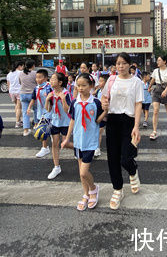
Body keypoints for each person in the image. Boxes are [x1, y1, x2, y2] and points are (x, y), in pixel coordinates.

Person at [101, 53, 143, 210]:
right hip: (113, 120)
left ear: (130, 65)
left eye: (124, 63)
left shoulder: (136, 82)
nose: (121, 66)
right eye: (118, 63)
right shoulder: (112, 80)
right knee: (112, 158)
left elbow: (138, 104)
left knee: (126, 157)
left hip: (129, 121)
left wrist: (137, 126)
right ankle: (117, 189)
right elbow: (104, 98)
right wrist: (104, 104)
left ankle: (133, 170)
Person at [61, 73, 108, 211]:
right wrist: (67, 138)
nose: (80, 88)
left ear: (91, 86)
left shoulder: (96, 102)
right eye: (78, 85)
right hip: (78, 140)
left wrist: (105, 111)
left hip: (90, 141)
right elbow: (73, 120)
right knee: (80, 169)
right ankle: (86, 194)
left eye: (84, 85)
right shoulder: (75, 102)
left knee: (83, 172)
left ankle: (93, 189)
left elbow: (98, 121)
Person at [45, 72, 72, 180]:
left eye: (53, 79)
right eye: (51, 79)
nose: (51, 81)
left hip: (65, 122)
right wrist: (47, 99)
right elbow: (48, 109)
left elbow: (68, 110)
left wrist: (63, 99)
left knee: (65, 144)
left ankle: (81, 148)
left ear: (60, 82)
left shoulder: (66, 93)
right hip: (55, 122)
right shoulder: (51, 93)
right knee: (54, 144)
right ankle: (56, 167)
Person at [27, 69, 53, 158]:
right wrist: (29, 107)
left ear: (45, 78)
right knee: (43, 130)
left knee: (49, 130)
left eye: (40, 77)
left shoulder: (49, 87)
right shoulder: (36, 88)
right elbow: (33, 98)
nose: (38, 79)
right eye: (36, 77)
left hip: (49, 112)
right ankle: (45, 148)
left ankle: (51, 146)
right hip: (40, 113)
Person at [148, 56, 167, 140]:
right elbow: (153, 79)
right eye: (157, 60)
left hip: (166, 90)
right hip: (157, 90)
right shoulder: (156, 71)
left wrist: (166, 91)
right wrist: (149, 86)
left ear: (164, 61)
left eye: (159, 60)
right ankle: (154, 131)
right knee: (155, 111)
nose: (157, 62)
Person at [19, 60, 37, 136]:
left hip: (23, 94)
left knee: (25, 112)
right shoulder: (34, 73)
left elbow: (20, 83)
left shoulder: (20, 73)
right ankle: (36, 125)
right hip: (32, 94)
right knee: (36, 110)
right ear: (32, 65)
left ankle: (26, 130)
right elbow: (37, 82)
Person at [94, 74, 110, 157]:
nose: (99, 83)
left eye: (101, 81)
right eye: (99, 81)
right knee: (99, 130)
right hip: (101, 113)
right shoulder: (98, 91)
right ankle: (97, 148)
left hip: (109, 113)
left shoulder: (109, 91)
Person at [7, 61, 24, 128]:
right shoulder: (21, 73)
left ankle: (19, 120)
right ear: (19, 66)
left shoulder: (9, 74)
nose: (23, 68)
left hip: (12, 91)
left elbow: (8, 84)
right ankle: (17, 122)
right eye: (22, 66)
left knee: (16, 106)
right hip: (19, 91)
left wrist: (9, 91)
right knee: (19, 107)